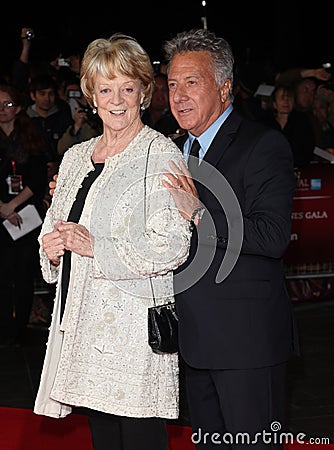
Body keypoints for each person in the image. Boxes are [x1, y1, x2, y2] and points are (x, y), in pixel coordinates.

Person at [33, 33, 192, 450]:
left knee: (140, 440)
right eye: (106, 89)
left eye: (127, 87)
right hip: (83, 329)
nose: (117, 99)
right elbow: (54, 226)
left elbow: (173, 245)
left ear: (143, 92)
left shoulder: (159, 155)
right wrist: (51, 250)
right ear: (91, 95)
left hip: (134, 338)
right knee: (103, 441)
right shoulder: (74, 157)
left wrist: (94, 246)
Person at [161, 29, 299, 449]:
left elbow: (272, 236)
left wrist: (200, 213)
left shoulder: (263, 145)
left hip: (246, 345)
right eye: (171, 84)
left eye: (191, 82)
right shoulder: (172, 152)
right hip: (193, 342)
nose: (178, 95)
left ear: (224, 87)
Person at [0, 83, 48, 346]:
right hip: (1, 216)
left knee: (21, 274)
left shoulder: (31, 136)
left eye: (8, 104)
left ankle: (18, 330)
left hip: (25, 217)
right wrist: (3, 209)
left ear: (18, 107)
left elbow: (38, 178)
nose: (2, 110)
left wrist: (13, 206)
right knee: (2, 275)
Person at [261, 84, 315, 168]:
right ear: (274, 103)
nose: (286, 101)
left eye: (289, 98)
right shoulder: (265, 124)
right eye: (282, 98)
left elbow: (307, 149)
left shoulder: (302, 122)